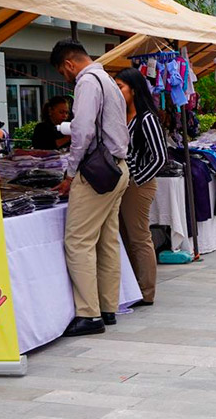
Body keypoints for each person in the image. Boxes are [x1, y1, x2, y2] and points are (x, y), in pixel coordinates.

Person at [51, 39, 130, 337]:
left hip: (97, 173)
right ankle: (108, 307)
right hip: (119, 167)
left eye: (62, 71)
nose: (65, 77)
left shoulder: (86, 82)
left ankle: (89, 314)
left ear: (70, 64)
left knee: (78, 241)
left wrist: (70, 173)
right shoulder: (108, 79)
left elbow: (82, 131)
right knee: (107, 239)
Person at [114, 68, 167, 307]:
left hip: (138, 184)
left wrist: (138, 178)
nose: (117, 91)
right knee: (125, 236)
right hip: (122, 183)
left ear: (134, 90)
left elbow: (160, 157)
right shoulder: (120, 115)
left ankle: (146, 291)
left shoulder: (147, 118)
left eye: (121, 87)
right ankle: (134, 287)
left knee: (138, 237)